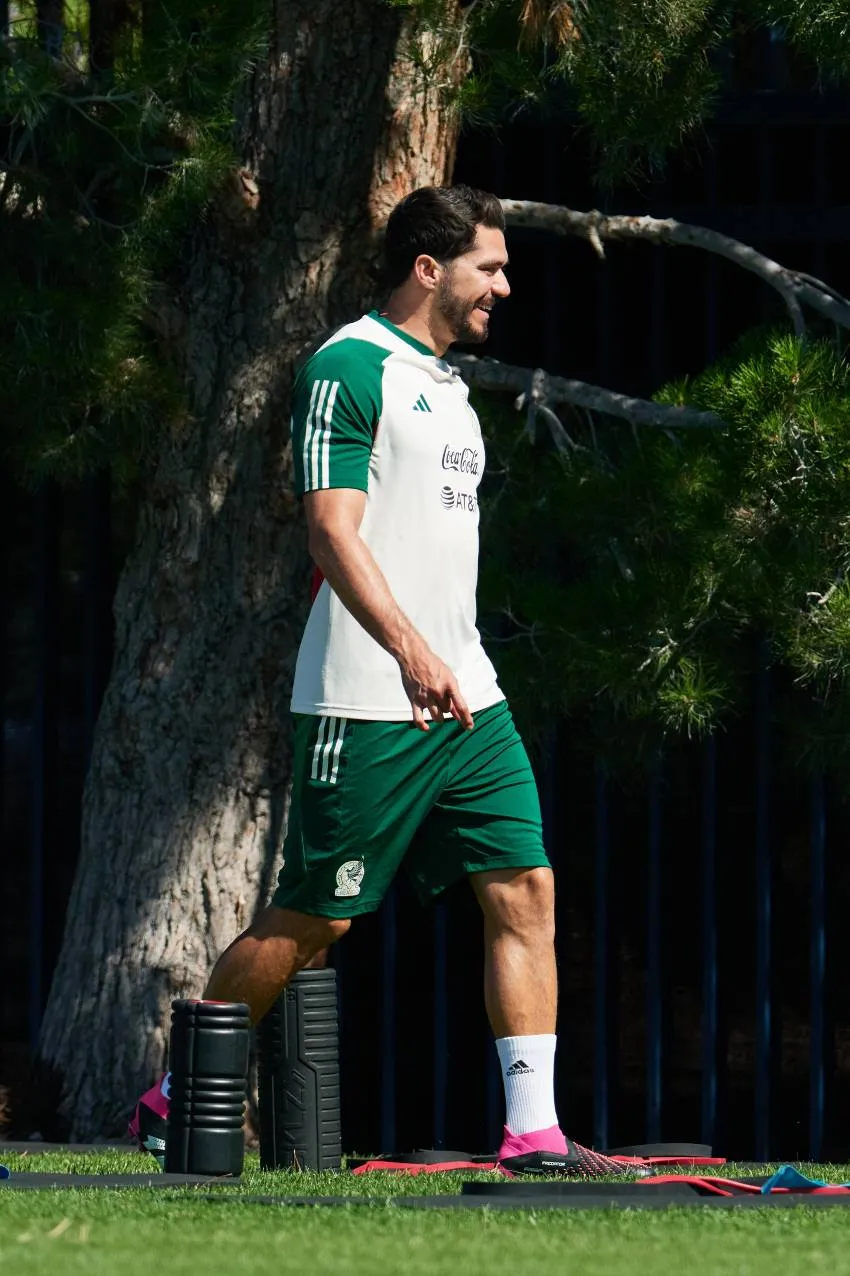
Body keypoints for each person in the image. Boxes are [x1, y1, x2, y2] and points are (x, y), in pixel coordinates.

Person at [130, 185, 639, 1178]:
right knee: (319, 914)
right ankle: (172, 1093)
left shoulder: (447, 387)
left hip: (467, 693)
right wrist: (409, 650)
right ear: (426, 268)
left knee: (524, 886)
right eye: (487, 266)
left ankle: (532, 1132)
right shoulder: (347, 365)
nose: (503, 283)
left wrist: (447, 661)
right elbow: (330, 527)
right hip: (369, 691)